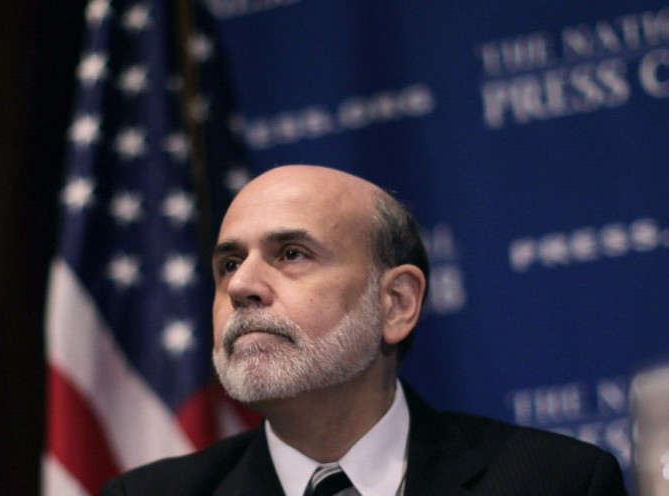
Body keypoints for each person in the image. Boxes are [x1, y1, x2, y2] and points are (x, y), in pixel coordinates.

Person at [101, 165, 626, 495]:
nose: (243, 286)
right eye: (229, 264)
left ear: (396, 303)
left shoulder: (556, 482)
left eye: (291, 254)